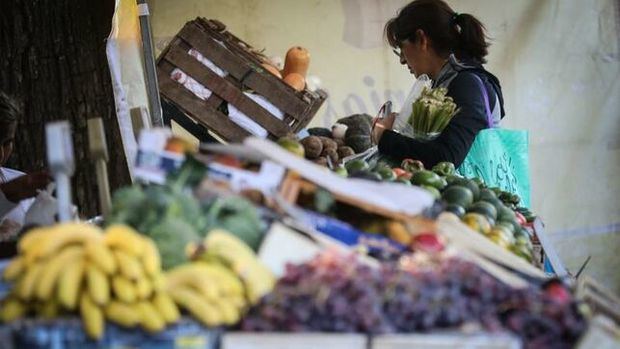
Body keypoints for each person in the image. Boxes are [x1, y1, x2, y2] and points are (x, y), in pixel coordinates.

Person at [373, 0, 505, 168]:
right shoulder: (446, 82)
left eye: (401, 48)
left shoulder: (467, 84)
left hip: (470, 193)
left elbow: (446, 158)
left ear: (421, 39)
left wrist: (384, 136)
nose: (402, 60)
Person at [0, 91, 50, 230]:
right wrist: (8, 196)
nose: (1, 154)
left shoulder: (22, 186)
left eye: (6, 143)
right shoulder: (18, 188)